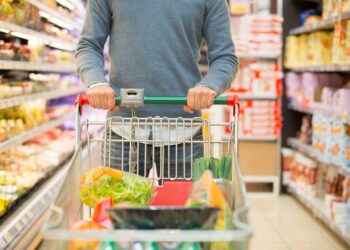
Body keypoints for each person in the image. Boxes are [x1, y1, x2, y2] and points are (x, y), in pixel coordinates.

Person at [76, 0, 238, 179]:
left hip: (183, 131)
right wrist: (96, 82)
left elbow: (225, 57)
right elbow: (89, 45)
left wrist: (210, 85)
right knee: (118, 206)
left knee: (182, 206)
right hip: (122, 130)